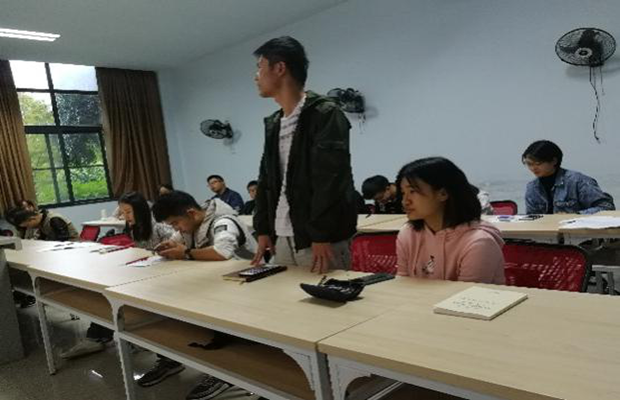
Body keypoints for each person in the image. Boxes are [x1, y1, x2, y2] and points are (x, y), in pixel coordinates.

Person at [251, 36, 357, 273]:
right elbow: (266, 180)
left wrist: (321, 233)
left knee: (326, 295)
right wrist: (263, 229)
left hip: (319, 239)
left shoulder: (324, 113)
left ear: (280, 68)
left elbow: (330, 179)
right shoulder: (274, 122)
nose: (256, 77)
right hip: (283, 235)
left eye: (260, 67)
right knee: (286, 296)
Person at [151, 191, 257, 400]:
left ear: (191, 213)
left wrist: (185, 253)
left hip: (248, 286)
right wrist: (169, 246)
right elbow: (176, 242)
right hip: (218, 284)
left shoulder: (223, 221)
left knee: (213, 319)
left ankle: (227, 373)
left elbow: (222, 252)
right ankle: (187, 359)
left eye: (176, 223)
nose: (176, 229)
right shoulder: (191, 224)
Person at [59, 192, 177, 361]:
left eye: (128, 212)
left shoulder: (158, 225)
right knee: (108, 290)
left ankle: (103, 336)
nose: (124, 216)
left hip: (165, 273)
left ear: (140, 210)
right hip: (146, 270)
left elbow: (176, 249)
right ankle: (98, 335)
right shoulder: (134, 226)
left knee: (117, 293)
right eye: (122, 212)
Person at [395, 157, 505, 284]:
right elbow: (403, 283)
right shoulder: (408, 233)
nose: (405, 201)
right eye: (403, 193)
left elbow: (467, 294)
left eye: (412, 191)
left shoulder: (479, 242)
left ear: (443, 193)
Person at [523, 140, 615, 214]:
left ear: (554, 161)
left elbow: (606, 207)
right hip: (546, 231)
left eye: (538, 163)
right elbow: (532, 217)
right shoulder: (532, 187)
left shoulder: (577, 181)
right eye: (529, 164)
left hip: (578, 230)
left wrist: (576, 215)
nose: (533, 168)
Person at [11, 208, 78, 241]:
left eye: (28, 225)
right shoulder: (41, 221)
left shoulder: (54, 219)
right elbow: (43, 237)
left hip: (72, 243)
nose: (29, 228)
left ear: (32, 219)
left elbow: (63, 238)